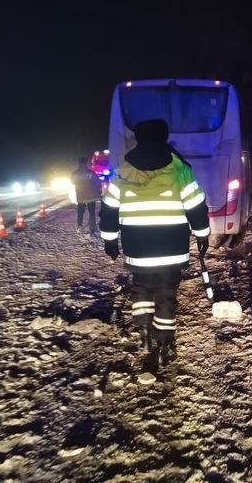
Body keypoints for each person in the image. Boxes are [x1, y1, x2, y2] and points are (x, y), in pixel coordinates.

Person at [99, 118, 210, 368]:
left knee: (141, 288)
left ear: (138, 139)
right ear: (163, 137)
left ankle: (145, 333)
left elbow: (108, 211)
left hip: (137, 248)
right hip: (171, 249)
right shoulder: (179, 170)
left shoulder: (123, 171)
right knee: (166, 294)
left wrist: (110, 241)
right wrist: (203, 234)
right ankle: (163, 345)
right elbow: (195, 206)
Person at [70, 156, 103, 236]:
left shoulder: (75, 173)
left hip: (81, 196)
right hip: (91, 196)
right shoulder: (91, 172)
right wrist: (99, 190)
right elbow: (98, 183)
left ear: (79, 163)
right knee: (92, 213)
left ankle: (79, 226)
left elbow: (72, 182)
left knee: (80, 212)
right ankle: (92, 230)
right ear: (86, 163)